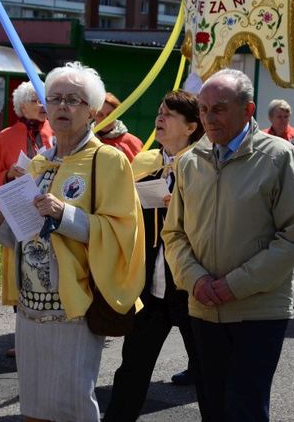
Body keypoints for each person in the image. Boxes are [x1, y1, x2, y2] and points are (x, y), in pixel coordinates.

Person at [0, 61, 145, 421]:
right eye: (54, 99)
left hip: (75, 303)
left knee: (71, 401)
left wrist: (63, 214)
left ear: (93, 110)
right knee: (35, 402)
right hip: (30, 304)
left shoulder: (108, 160)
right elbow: (28, 231)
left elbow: (123, 232)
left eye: (73, 100)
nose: (62, 107)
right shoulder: (40, 162)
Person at [162, 69, 294, 422]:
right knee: (212, 408)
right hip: (203, 307)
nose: (208, 118)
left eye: (219, 109)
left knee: (244, 408)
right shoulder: (189, 161)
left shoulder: (278, 157)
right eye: (203, 109)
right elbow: (174, 234)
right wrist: (196, 279)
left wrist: (233, 285)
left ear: (248, 109)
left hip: (258, 311)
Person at [104, 90, 205, 422]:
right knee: (132, 369)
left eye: (169, 115)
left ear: (192, 126)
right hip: (151, 287)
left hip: (193, 288)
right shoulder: (146, 161)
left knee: (209, 375)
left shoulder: (206, 164)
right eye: (160, 112)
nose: (159, 119)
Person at [0, 81, 54, 357]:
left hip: (49, 210)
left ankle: (51, 332)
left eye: (43, 100)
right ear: (21, 105)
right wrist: (8, 176)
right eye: (35, 100)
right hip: (17, 213)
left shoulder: (58, 134)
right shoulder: (6, 136)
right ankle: (23, 336)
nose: (42, 105)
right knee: (19, 273)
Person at [92, 92, 143, 161]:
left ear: (117, 114)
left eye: (110, 115)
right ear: (93, 115)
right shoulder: (83, 141)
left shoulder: (133, 142)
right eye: (100, 114)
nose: (105, 119)